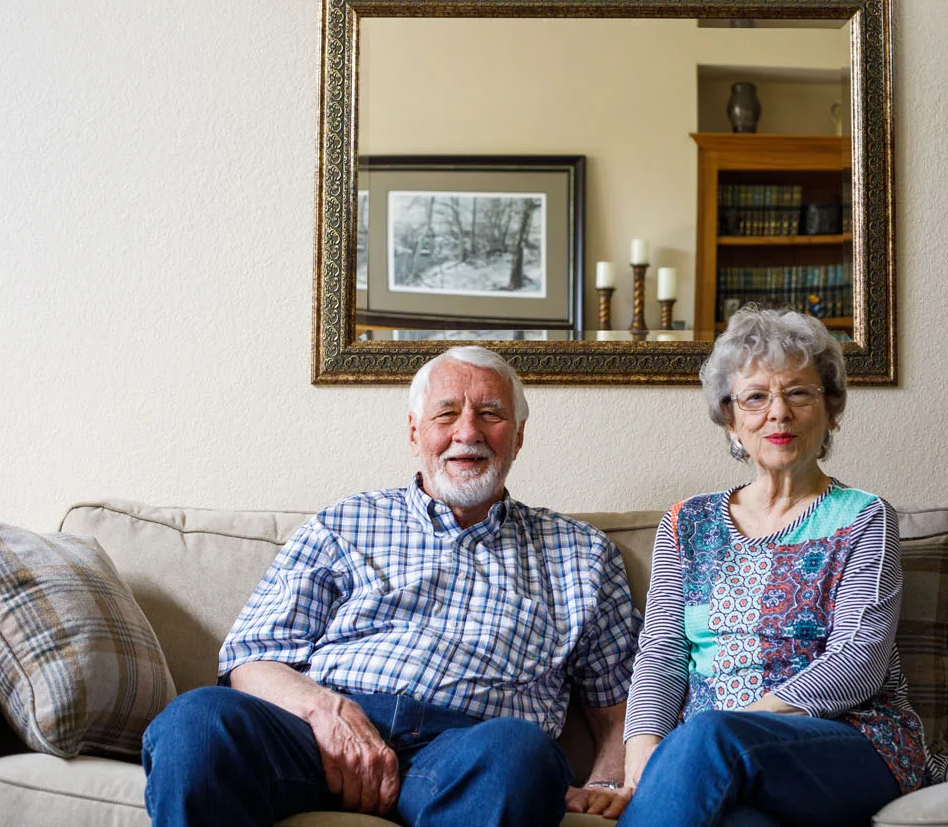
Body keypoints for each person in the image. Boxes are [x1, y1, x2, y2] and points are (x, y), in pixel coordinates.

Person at [141, 346, 640, 827]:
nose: (468, 431)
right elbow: (252, 657)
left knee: (521, 754)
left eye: (490, 413)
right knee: (198, 722)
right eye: (446, 414)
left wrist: (607, 782)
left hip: (470, 753)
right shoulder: (344, 522)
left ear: (520, 435)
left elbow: (623, 702)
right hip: (321, 731)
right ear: (414, 431)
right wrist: (325, 711)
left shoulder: (582, 553)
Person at [614, 307, 948, 827]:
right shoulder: (687, 522)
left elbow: (858, 661)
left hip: (850, 739)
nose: (778, 412)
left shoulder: (864, 516)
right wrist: (642, 760)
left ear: (831, 411)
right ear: (732, 421)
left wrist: (726, 732)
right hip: (713, 760)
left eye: (798, 393)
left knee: (710, 737)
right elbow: (662, 654)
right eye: (756, 397)